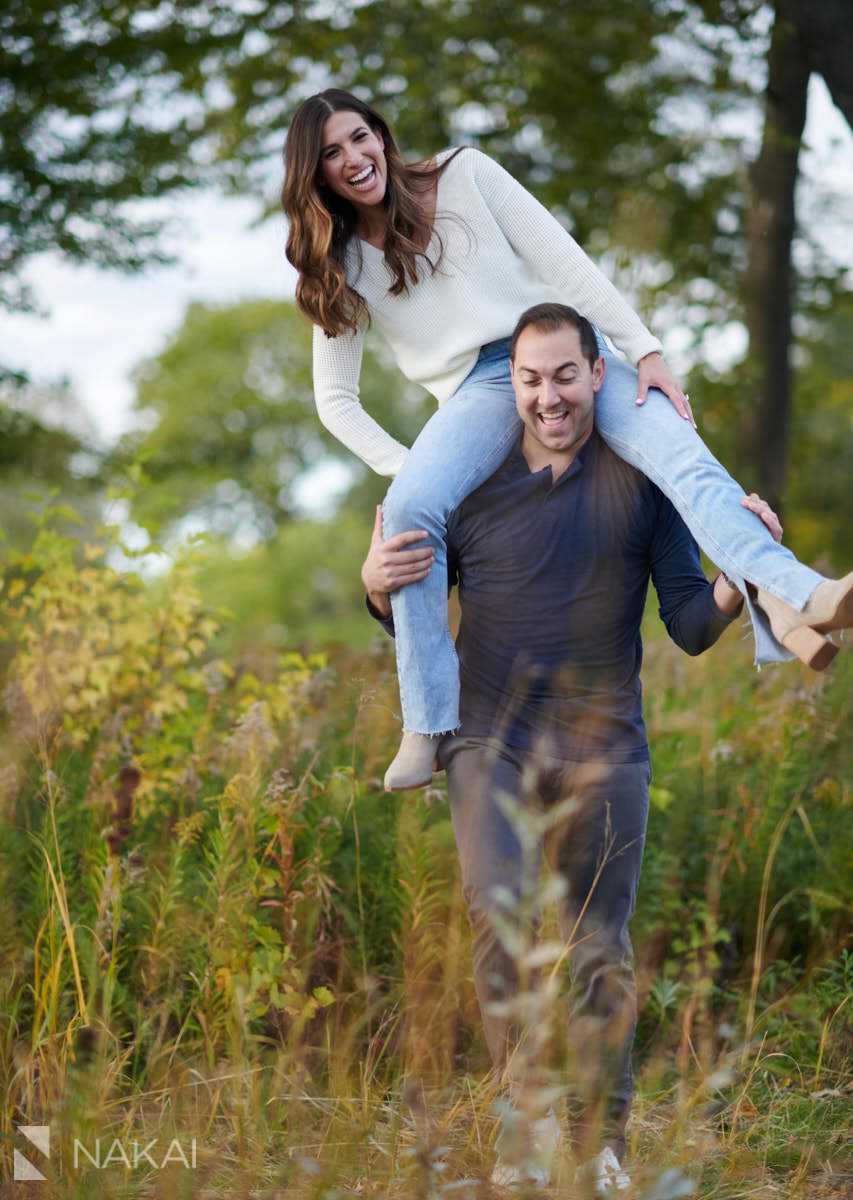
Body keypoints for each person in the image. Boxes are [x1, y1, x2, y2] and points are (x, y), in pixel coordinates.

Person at [282, 88, 853, 791]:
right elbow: (335, 401)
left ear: (382, 136)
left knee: (679, 452)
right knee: (406, 510)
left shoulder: (464, 173)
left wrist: (643, 349)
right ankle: (427, 726)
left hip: (562, 350)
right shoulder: (335, 259)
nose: (354, 158)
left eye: (360, 137)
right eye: (332, 153)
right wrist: (415, 468)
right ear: (315, 175)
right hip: (476, 393)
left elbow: (565, 263)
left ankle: (805, 593)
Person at [360, 304, 783, 1194]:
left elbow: (688, 627)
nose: (546, 395)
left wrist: (738, 580)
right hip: (489, 746)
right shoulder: (463, 484)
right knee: (501, 928)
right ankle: (523, 1129)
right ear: (506, 385)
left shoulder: (639, 479)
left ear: (599, 375)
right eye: (529, 378)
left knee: (597, 950)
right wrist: (373, 583)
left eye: (563, 375)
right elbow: (406, 601)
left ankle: (600, 1146)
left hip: (604, 749)